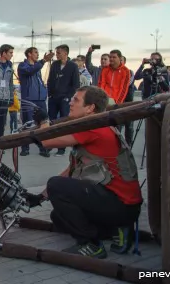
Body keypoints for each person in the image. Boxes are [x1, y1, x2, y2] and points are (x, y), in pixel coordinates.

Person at [24, 86, 143, 259]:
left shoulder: (93, 127)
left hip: (121, 203)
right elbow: (72, 170)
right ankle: (117, 229)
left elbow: (47, 141)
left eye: (76, 100)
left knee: (56, 185)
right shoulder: (95, 124)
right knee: (58, 216)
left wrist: (43, 121)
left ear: (90, 108)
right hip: (120, 203)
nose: (70, 103)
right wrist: (40, 197)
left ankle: (92, 245)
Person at [17, 47, 53, 157]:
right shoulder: (23, 66)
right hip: (28, 99)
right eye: (35, 52)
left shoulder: (37, 66)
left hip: (40, 99)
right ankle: (25, 147)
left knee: (43, 124)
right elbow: (29, 71)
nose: (38, 54)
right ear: (29, 54)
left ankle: (43, 148)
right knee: (27, 124)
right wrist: (43, 61)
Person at [47, 44, 80, 156]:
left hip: (65, 99)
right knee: (51, 122)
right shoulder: (55, 65)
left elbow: (75, 84)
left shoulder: (73, 66)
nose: (56, 55)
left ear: (65, 53)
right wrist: (50, 94)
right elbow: (50, 80)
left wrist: (68, 97)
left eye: (58, 53)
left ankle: (61, 149)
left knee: (63, 123)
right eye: (56, 53)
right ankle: (50, 145)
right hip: (53, 98)